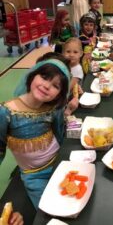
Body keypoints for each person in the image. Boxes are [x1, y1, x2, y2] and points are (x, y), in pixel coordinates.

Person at [0, 59, 70, 209]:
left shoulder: (54, 108)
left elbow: (59, 134)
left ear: (58, 95)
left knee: (74, 201)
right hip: (34, 175)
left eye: (55, 86)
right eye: (44, 77)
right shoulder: (6, 112)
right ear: (32, 76)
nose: (46, 86)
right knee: (51, 210)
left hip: (60, 163)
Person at [62, 38, 84, 116]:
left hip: (70, 99)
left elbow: (68, 88)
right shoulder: (65, 65)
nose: (71, 55)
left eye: (75, 52)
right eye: (68, 51)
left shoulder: (77, 69)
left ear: (81, 53)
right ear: (63, 53)